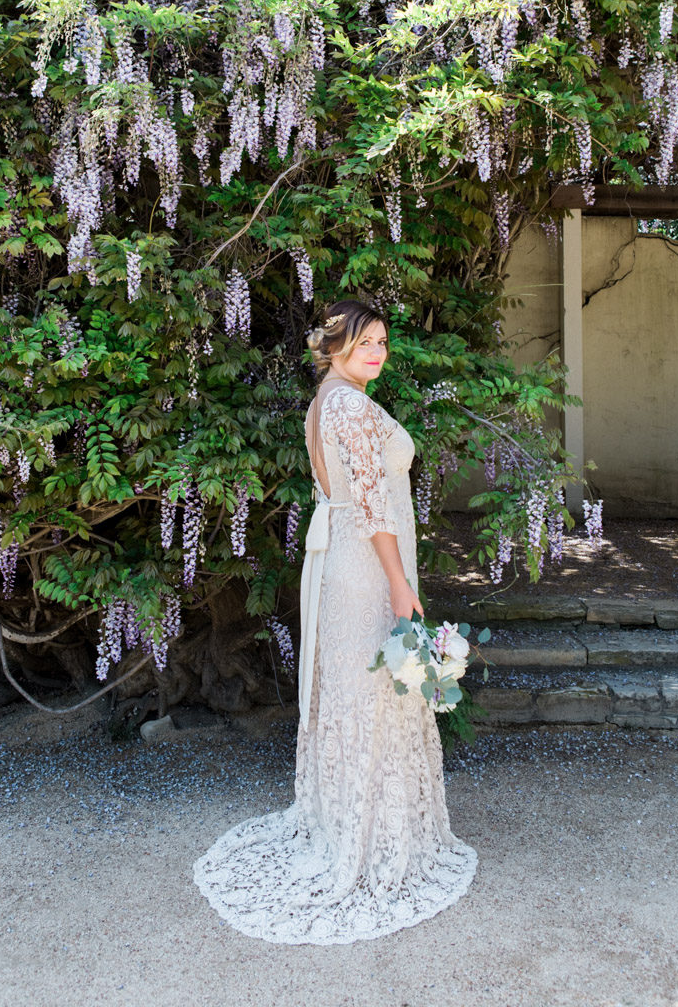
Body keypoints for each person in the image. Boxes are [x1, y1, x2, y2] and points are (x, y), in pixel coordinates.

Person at [193, 298, 478, 944]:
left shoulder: (330, 396)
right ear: (335, 347)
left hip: (345, 556)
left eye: (382, 340)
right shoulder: (347, 404)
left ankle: (354, 822)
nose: (378, 351)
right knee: (373, 690)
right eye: (365, 342)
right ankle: (368, 836)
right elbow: (375, 502)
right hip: (364, 564)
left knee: (359, 688)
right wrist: (402, 584)